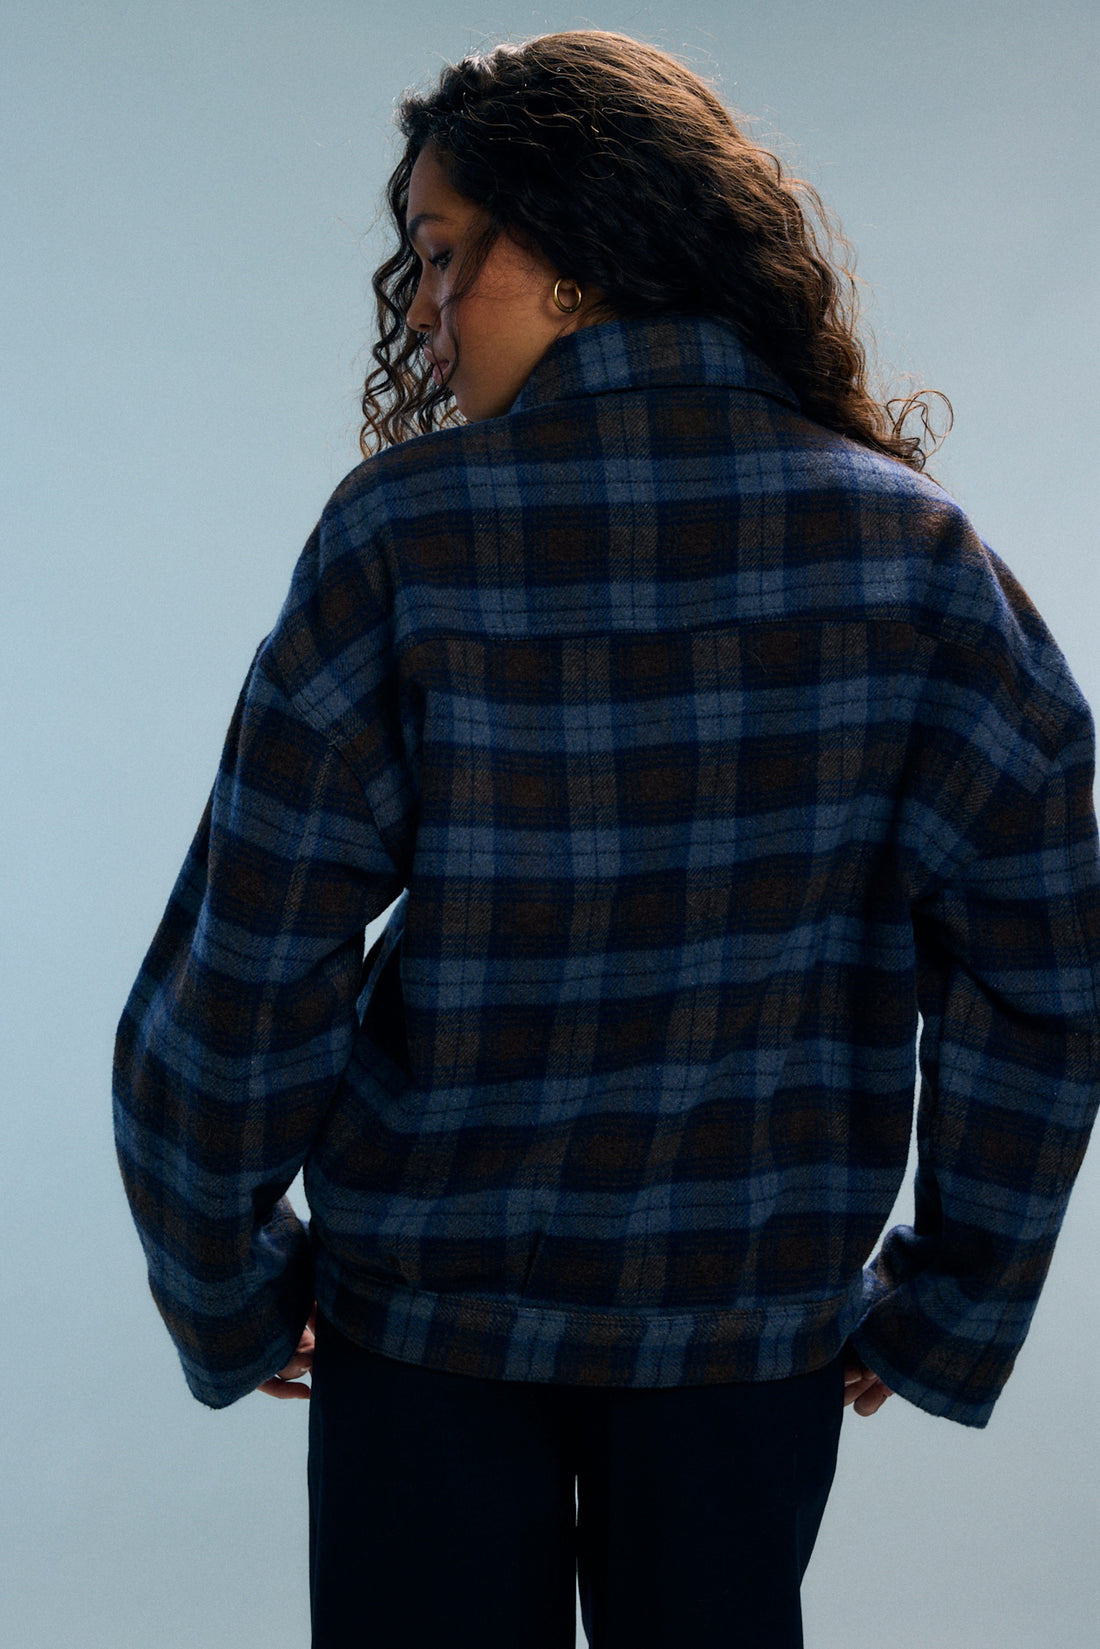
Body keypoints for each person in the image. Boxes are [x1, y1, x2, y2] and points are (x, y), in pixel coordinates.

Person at [112, 28, 1100, 1649]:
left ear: (568, 250)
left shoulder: (404, 535)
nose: (422, 311)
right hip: (745, 1335)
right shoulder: (921, 557)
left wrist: (224, 1273)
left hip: (425, 1328)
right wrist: (951, 1295)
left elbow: (252, 957)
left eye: (443, 255)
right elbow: (1041, 968)